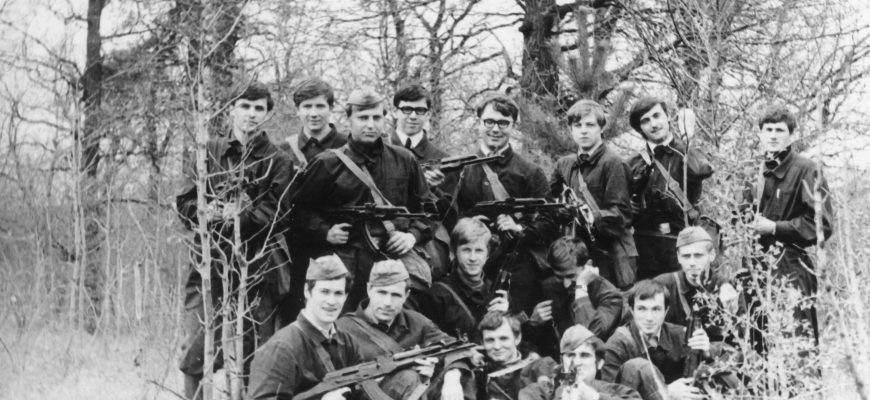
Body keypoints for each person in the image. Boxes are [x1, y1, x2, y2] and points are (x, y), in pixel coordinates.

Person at [175, 82, 295, 400]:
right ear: (231, 110)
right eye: (245, 106)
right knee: (197, 346)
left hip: (258, 263)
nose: (251, 114)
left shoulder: (278, 160)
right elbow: (184, 203)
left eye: (259, 108)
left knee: (255, 353)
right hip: (209, 261)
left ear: (267, 114)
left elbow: (278, 213)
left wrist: (239, 217)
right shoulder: (208, 152)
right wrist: (207, 212)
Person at [288, 88, 436, 311]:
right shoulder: (327, 163)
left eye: (376, 118)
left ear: (385, 120)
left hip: (391, 260)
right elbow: (298, 212)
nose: (370, 125)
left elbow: (428, 210)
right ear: (349, 119)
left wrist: (412, 236)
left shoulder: (404, 160)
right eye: (363, 118)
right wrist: (325, 231)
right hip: (344, 262)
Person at [455, 94, 556, 316]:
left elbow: (549, 221)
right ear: (479, 122)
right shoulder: (462, 169)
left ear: (513, 126)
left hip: (516, 260)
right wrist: (468, 225)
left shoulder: (530, 172)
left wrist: (519, 229)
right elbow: (449, 215)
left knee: (516, 319)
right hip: (472, 260)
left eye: (503, 123)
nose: (495, 129)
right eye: (489, 121)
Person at [743, 105, 833, 351]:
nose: (773, 136)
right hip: (755, 267)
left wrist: (775, 227)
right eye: (768, 130)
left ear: (792, 135)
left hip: (792, 267)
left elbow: (822, 224)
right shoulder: (752, 171)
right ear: (760, 134)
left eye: (780, 130)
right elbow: (739, 217)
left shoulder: (807, 169)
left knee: (797, 345)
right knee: (757, 345)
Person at [336, 260, 472, 400]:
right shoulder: (342, 329)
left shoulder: (417, 322)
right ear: (369, 289)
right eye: (382, 293)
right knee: (408, 377)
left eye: (396, 295)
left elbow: (455, 348)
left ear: (406, 295)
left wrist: (452, 378)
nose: (387, 303)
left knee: (459, 381)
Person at [277, 77, 349, 326]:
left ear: (331, 108)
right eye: (307, 107)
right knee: (296, 321)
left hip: (342, 249)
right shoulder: (283, 151)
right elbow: (279, 207)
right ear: (298, 110)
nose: (314, 113)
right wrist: (322, 231)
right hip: (296, 252)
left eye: (320, 106)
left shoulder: (350, 148)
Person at [550, 100, 637, 289]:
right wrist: (562, 210)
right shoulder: (564, 164)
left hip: (611, 253)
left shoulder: (614, 164)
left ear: (601, 128)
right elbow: (550, 200)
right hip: (579, 253)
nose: (583, 131)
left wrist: (592, 216)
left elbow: (622, 214)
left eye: (590, 125)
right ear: (571, 129)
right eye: (578, 125)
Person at [627, 97, 714, 280]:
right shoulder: (633, 164)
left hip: (684, 246)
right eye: (645, 120)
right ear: (639, 128)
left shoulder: (685, 153)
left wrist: (687, 140)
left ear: (667, 117)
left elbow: (702, 170)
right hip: (647, 251)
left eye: (657, 116)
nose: (654, 124)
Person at [388, 84, 455, 280]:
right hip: (384, 230)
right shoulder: (379, 150)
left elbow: (449, 214)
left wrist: (433, 190)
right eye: (406, 109)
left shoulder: (443, 160)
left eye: (420, 111)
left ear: (428, 115)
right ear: (395, 111)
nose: (413, 116)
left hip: (425, 236)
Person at [601, 280, 711, 400]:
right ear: (632, 311)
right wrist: (666, 392)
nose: (649, 318)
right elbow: (611, 395)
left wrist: (706, 353)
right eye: (642, 309)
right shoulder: (617, 346)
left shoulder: (680, 335)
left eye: (656, 309)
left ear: (666, 311)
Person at [408, 217, 512, 341]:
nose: (473, 258)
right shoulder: (437, 295)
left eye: (479, 250)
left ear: (488, 254)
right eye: (466, 250)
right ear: (454, 251)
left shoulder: (497, 294)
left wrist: (506, 316)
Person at [526, 237, 624, 358]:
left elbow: (589, 336)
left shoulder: (610, 295)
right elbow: (533, 341)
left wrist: (581, 287)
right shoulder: (549, 287)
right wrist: (533, 324)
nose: (565, 284)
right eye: (559, 277)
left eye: (571, 276)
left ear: (588, 265)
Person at [653, 227, 741, 343]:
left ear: (712, 255)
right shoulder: (663, 285)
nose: (692, 263)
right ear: (678, 257)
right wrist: (682, 333)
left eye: (698, 255)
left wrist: (732, 311)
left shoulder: (725, 287)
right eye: (686, 256)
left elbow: (739, 340)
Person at [519, 325, 641, 400]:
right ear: (562, 362)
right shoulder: (542, 391)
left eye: (584, 355)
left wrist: (595, 398)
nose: (577, 362)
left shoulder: (615, 391)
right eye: (570, 355)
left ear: (599, 363)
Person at [475, 311, 556, 400]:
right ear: (482, 343)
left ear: (517, 338)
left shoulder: (539, 367)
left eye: (503, 338)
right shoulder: (479, 378)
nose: (497, 346)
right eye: (490, 340)